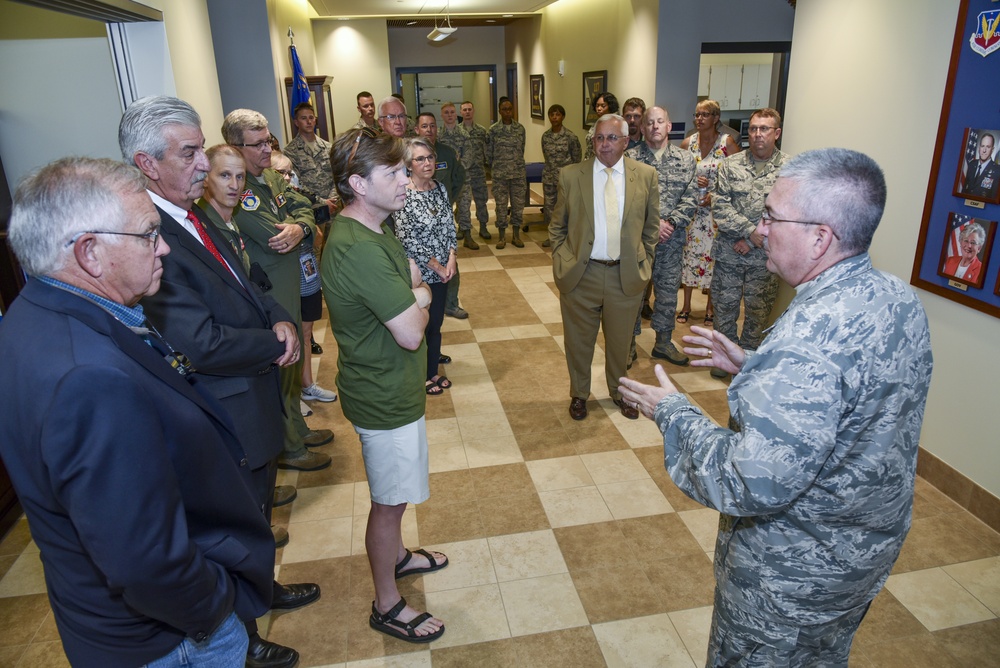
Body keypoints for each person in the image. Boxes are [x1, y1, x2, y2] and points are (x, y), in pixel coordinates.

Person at [618, 148, 933, 667]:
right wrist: (758, 366)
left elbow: (750, 479)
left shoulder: (807, 339)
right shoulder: (894, 297)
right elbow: (849, 397)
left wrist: (674, 413)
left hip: (790, 579)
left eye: (771, 216)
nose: (760, 229)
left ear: (820, 237)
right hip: (859, 556)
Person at [0, 156, 274, 667]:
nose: (165, 246)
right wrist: (215, 610)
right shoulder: (88, 378)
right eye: (149, 234)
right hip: (168, 641)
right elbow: (145, 560)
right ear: (91, 253)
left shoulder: (33, 311)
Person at [121, 97, 320, 668]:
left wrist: (278, 314)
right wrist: (274, 341)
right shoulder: (153, 236)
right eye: (190, 153)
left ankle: (263, 589)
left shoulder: (196, 216)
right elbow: (198, 342)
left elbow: (247, 279)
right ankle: (245, 634)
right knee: (232, 527)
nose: (204, 166)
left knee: (257, 515)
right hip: (225, 405)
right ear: (147, 163)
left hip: (252, 393)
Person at [322, 128, 448, 643]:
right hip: (382, 394)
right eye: (392, 173)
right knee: (389, 501)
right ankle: (387, 602)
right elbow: (413, 331)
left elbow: (413, 274)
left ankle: (397, 556)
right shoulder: (358, 248)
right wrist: (418, 295)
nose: (404, 180)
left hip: (393, 388)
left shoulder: (376, 227)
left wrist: (412, 288)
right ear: (357, 182)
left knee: (396, 492)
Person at [224, 108, 335, 470]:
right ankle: (289, 446)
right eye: (256, 145)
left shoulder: (272, 176)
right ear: (234, 147)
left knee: (295, 357)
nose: (266, 150)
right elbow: (273, 234)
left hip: (294, 277)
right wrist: (296, 226)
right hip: (270, 286)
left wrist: (300, 227)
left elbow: (303, 203)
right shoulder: (238, 190)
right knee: (282, 362)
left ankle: (298, 428)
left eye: (267, 142)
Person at [551, 113, 659, 421]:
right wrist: (562, 259)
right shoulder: (572, 175)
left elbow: (651, 228)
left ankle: (619, 391)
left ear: (626, 141)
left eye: (612, 138)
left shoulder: (646, 175)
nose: (604, 144)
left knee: (621, 342)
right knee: (578, 341)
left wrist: (645, 262)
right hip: (581, 274)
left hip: (624, 276)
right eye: (599, 138)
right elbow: (557, 225)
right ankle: (579, 394)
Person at [709, 107, 788, 379]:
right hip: (730, 253)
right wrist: (747, 232)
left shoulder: (790, 170)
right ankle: (722, 360)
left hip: (765, 259)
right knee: (723, 311)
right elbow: (719, 207)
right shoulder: (730, 165)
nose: (757, 135)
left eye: (764, 129)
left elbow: (789, 215)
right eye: (753, 129)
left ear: (776, 133)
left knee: (757, 315)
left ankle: (748, 365)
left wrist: (755, 241)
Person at [625, 106, 699, 366]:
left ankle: (664, 342)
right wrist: (654, 225)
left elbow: (692, 195)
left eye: (660, 122)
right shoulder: (630, 159)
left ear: (669, 126)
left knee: (668, 293)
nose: (655, 126)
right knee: (633, 293)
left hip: (672, 240)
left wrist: (673, 223)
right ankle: (628, 345)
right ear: (643, 128)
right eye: (650, 122)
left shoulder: (686, 159)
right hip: (638, 242)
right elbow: (625, 200)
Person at [270, 150, 338, 407]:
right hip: (286, 281)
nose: (288, 177)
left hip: (308, 275)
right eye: (281, 173)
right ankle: (292, 394)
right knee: (289, 337)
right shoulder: (270, 204)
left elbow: (317, 237)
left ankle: (307, 384)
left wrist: (304, 225)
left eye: (290, 172)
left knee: (307, 334)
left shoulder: (299, 200)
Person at [393, 137, 458, 395]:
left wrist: (451, 258)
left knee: (437, 324)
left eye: (429, 157)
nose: (427, 162)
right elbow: (408, 240)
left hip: (444, 270)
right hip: (420, 273)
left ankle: (432, 372)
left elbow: (450, 226)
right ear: (409, 164)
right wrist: (438, 268)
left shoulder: (439, 188)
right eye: (420, 159)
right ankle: (418, 377)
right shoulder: (403, 193)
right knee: (420, 324)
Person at [678, 99, 741, 325]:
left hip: (716, 215)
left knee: (711, 260)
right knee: (689, 257)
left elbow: (737, 179)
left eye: (705, 115)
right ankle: (685, 305)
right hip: (692, 214)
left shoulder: (727, 143)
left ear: (715, 118)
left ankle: (709, 309)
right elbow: (680, 177)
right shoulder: (688, 143)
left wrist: (713, 194)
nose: (699, 119)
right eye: (697, 115)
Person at [414, 112, 470, 322]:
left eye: (432, 126)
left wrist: (448, 202)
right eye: (424, 126)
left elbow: (459, 178)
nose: (429, 130)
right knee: (421, 265)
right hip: (419, 221)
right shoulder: (409, 155)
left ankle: (451, 304)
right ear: (417, 130)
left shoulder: (447, 153)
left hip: (442, 220)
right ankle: (423, 306)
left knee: (450, 263)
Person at [487, 96, 527, 248]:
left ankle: (516, 235)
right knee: (501, 206)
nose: (507, 112)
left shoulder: (520, 129)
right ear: (499, 111)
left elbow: (521, 149)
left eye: (510, 109)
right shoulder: (494, 131)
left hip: (518, 174)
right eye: (504, 109)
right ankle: (502, 236)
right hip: (500, 175)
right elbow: (489, 153)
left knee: (518, 205)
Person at [540, 103, 582, 248]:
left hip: (566, 181)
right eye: (552, 114)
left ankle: (567, 238)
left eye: (557, 114)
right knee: (549, 209)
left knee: (566, 208)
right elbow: (546, 156)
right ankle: (552, 237)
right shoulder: (545, 136)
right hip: (549, 178)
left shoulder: (570, 136)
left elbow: (577, 158)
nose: (554, 117)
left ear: (563, 117)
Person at [438, 102, 479, 251]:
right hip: (443, 179)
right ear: (442, 115)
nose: (450, 115)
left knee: (465, 206)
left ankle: (467, 235)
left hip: (462, 177)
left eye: (452, 112)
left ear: (456, 115)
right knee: (444, 208)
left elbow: (469, 155)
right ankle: (446, 238)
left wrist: (458, 168)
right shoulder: (438, 135)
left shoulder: (464, 134)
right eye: (446, 113)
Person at [283, 102, 336, 204]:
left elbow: (337, 176)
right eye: (303, 118)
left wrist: (332, 199)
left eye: (311, 117)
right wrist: (322, 202)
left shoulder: (328, 147)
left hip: (334, 204)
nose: (308, 121)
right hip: (310, 207)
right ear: (296, 122)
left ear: (315, 120)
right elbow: (296, 184)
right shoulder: (290, 151)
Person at [459, 100, 492, 243]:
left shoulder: (481, 131)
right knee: (462, 202)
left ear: (473, 111)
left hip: (478, 171)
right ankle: (462, 227)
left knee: (481, 200)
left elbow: (487, 151)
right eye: (464, 110)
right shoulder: (457, 131)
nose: (467, 112)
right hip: (463, 173)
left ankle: (483, 226)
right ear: (461, 112)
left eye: (469, 109)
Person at [961, 132, 1000, 199]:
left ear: (992, 149)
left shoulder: (997, 170)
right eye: (982, 146)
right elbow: (964, 190)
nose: (984, 150)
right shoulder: (971, 164)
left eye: (988, 147)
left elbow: (994, 198)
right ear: (979, 148)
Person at [584, 91, 620, 160]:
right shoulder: (597, 124)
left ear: (610, 107)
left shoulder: (615, 125)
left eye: (603, 106)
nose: (599, 109)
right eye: (597, 106)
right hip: (590, 162)